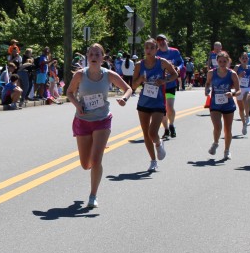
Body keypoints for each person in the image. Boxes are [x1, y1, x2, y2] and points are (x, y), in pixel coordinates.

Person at [67, 43, 133, 208]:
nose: (94, 57)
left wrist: (124, 98)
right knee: (85, 165)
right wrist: (77, 105)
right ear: (87, 57)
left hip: (102, 120)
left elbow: (128, 88)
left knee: (96, 160)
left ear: (103, 58)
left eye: (97, 54)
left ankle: (93, 196)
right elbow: (69, 92)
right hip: (83, 120)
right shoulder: (80, 75)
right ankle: (96, 149)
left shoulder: (108, 75)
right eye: (91, 54)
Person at [132, 38, 178, 171]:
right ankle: (153, 161)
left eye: (152, 48)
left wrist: (164, 80)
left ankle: (158, 143)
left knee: (153, 132)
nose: (149, 50)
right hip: (144, 102)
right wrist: (140, 79)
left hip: (158, 102)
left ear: (156, 49)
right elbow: (133, 85)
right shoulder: (139, 65)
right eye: (147, 47)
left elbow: (175, 74)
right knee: (146, 133)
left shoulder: (162, 62)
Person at [207, 50, 240, 160]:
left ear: (228, 61)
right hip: (215, 104)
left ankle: (227, 150)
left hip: (228, 104)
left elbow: (238, 90)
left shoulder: (232, 74)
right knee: (217, 126)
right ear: (217, 62)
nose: (222, 63)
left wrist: (232, 94)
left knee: (227, 128)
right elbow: (207, 83)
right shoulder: (211, 73)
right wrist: (207, 89)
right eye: (220, 61)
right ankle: (215, 143)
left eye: (224, 61)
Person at [154, 34, 185, 139]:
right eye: (159, 41)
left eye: (163, 40)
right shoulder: (156, 53)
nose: (161, 43)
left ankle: (171, 125)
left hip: (171, 83)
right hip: (160, 85)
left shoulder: (174, 52)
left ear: (167, 41)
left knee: (170, 108)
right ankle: (166, 129)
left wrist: (179, 68)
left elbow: (181, 62)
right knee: (162, 109)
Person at [234, 51, 250, 136]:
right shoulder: (237, 67)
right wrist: (239, 76)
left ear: (248, 59)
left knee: (245, 98)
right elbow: (233, 77)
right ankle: (244, 124)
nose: (244, 59)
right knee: (241, 109)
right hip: (239, 88)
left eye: (246, 58)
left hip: (248, 88)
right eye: (243, 58)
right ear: (240, 59)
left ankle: (247, 116)